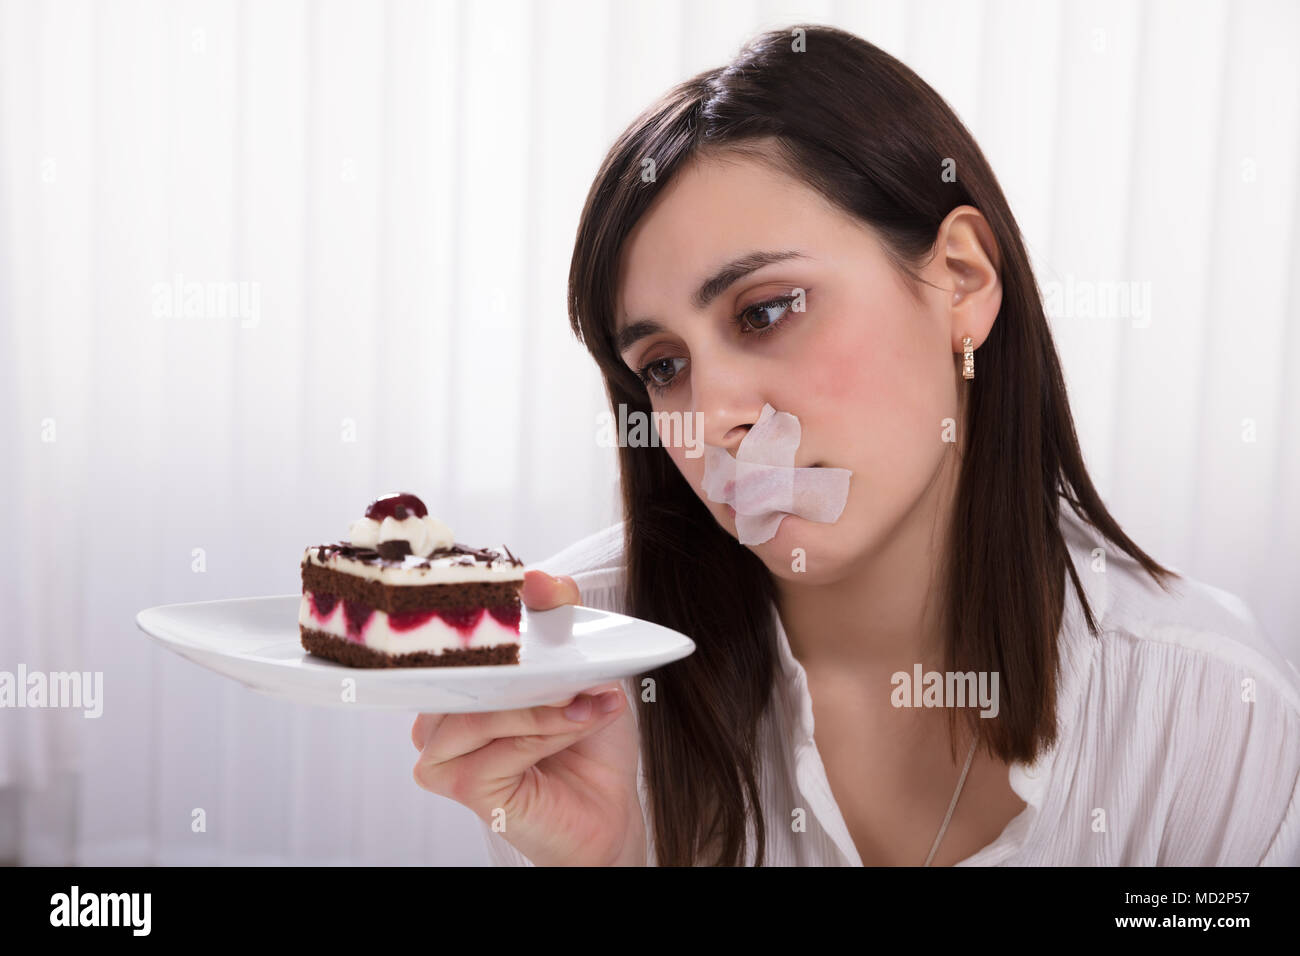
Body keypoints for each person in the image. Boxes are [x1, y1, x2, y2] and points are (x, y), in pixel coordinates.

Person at [412, 24, 1300, 866]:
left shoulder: (1212, 707)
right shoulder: (585, 684)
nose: (712, 417)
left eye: (765, 311)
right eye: (664, 365)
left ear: (961, 280)